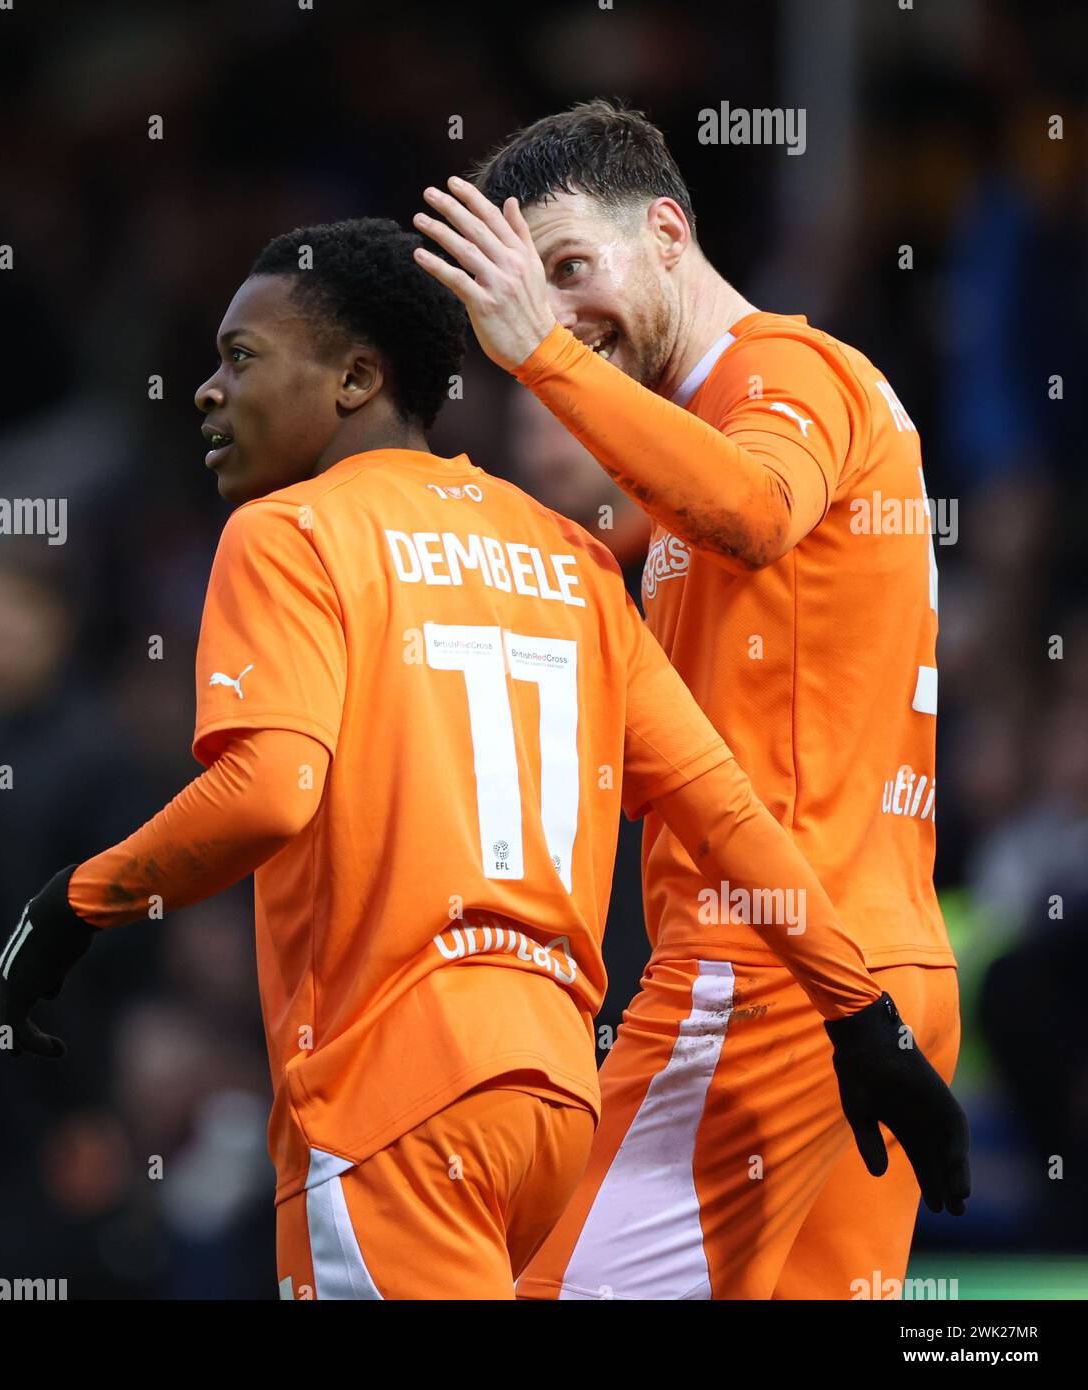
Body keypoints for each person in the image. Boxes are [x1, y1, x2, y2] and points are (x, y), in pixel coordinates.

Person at [0, 217, 966, 1300]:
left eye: (240, 357)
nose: (206, 390)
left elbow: (268, 791)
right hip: (551, 1096)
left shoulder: (290, 534)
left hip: (388, 1101)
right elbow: (727, 813)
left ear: (357, 378)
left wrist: (77, 905)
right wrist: (862, 1015)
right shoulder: (575, 557)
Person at [412, 97, 966, 1300]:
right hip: (875, 974)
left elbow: (757, 513)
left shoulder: (783, 373)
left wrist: (542, 358)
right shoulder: (694, 451)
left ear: (667, 231)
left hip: (760, 968)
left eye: (567, 269)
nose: (549, 318)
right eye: (520, 295)